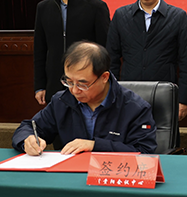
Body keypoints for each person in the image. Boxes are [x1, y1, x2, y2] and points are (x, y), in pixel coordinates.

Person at [13, 41, 157, 155]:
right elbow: (29, 127)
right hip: (70, 175)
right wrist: (28, 139)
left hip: (112, 177)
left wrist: (95, 145)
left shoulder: (134, 107)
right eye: (69, 82)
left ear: (104, 77)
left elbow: (145, 152)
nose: (74, 90)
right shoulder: (62, 101)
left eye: (82, 84)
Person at [107, 0, 187, 121]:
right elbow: (111, 60)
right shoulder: (121, 16)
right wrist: (112, 93)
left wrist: (183, 101)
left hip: (164, 95)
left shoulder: (178, 16)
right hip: (128, 95)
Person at [34, 0, 110, 105]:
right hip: (54, 83)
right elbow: (39, 50)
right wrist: (39, 86)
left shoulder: (97, 7)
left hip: (87, 85)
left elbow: (105, 49)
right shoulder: (43, 8)